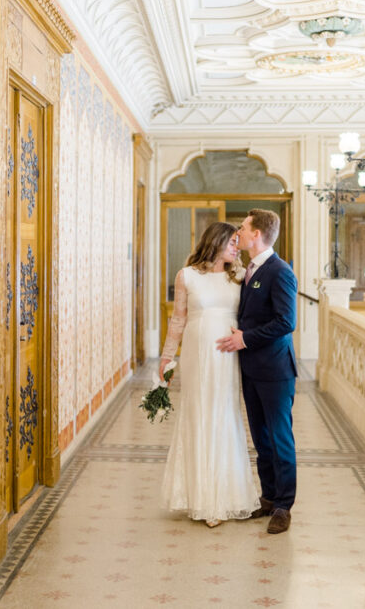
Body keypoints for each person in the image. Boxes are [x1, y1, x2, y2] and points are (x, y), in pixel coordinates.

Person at [159, 222, 260, 528]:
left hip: (227, 356)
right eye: (230, 242)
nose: (235, 247)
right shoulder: (187, 275)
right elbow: (178, 319)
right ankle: (199, 497)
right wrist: (166, 357)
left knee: (224, 414)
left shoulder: (241, 277)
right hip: (195, 353)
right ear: (214, 242)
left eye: (236, 241)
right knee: (198, 415)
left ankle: (225, 497)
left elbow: (253, 315)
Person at [216, 209, 298, 534]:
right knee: (261, 439)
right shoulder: (250, 269)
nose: (240, 231)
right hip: (251, 368)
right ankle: (267, 497)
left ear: (258, 234)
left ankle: (284, 506)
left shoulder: (280, 272)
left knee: (280, 439)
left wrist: (245, 339)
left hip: (276, 370)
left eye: (244, 227)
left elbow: (285, 322)